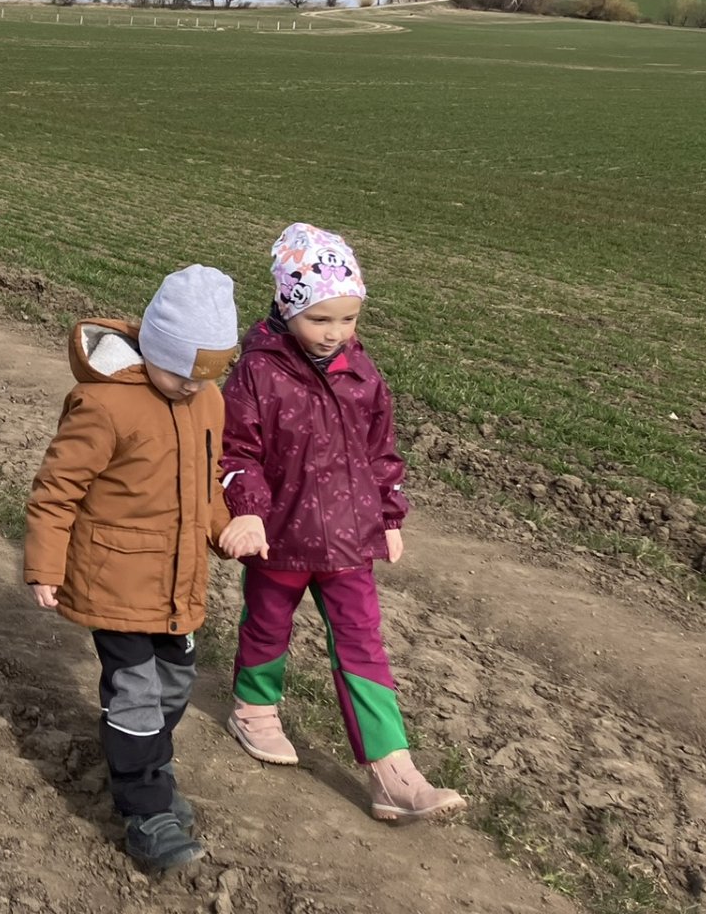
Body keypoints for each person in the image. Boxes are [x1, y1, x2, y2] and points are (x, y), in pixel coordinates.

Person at [220, 222, 466, 824]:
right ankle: (254, 710)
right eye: (320, 319)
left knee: (362, 642)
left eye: (348, 319)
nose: (335, 333)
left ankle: (392, 769)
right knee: (267, 626)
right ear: (287, 306)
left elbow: (382, 453)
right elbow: (237, 451)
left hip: (350, 539)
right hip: (279, 536)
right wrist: (248, 510)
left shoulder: (364, 375)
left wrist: (389, 514)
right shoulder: (257, 373)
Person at [24, 265, 244, 874]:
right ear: (153, 347)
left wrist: (223, 528)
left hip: (179, 582)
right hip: (114, 579)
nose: (192, 387)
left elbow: (205, 483)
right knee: (137, 692)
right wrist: (45, 564)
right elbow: (57, 490)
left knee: (175, 683)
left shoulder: (207, 400)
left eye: (206, 375)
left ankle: (150, 769)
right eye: (181, 373)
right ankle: (146, 811)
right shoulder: (104, 403)